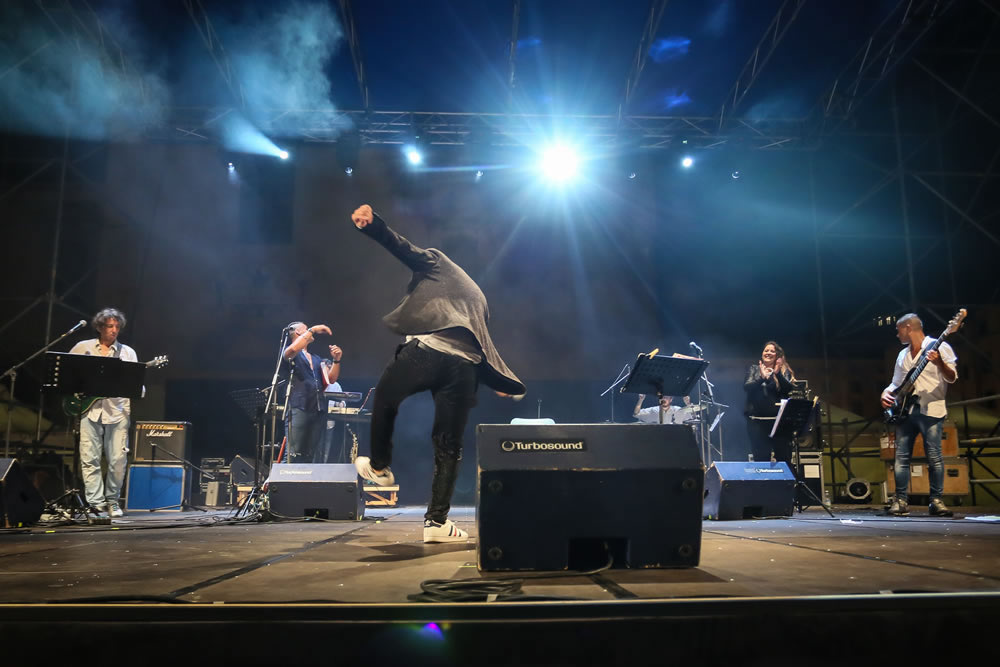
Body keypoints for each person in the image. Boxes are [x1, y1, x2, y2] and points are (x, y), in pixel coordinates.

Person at [350, 204, 525, 544]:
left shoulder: (438, 262)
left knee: (385, 397)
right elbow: (477, 344)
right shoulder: (477, 297)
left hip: (428, 354)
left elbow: (404, 249)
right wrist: (497, 382)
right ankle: (436, 523)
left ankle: (380, 467)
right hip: (464, 371)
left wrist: (372, 226)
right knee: (449, 445)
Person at [881, 313, 958, 517]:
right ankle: (900, 500)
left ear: (908, 327)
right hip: (906, 411)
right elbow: (896, 383)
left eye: (898, 330)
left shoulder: (940, 347)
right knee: (901, 457)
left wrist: (939, 363)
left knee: (934, 457)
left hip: (931, 410)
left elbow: (952, 377)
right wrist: (885, 394)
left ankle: (936, 501)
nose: (897, 334)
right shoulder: (902, 355)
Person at [68, 308, 138, 517]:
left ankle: (113, 501)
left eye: (117, 326)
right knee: (89, 458)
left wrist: (138, 386)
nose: (114, 330)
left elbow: (136, 384)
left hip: (117, 411)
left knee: (118, 460)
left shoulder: (127, 352)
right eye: (109, 326)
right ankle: (96, 503)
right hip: (89, 410)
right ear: (99, 327)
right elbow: (66, 373)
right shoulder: (83, 348)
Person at [282, 322, 343, 463]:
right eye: (306, 329)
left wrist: (336, 360)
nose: (310, 332)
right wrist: (313, 329)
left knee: (310, 455)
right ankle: (286, 477)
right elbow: (292, 350)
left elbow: (331, 379)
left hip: (317, 409)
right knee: (292, 454)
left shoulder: (316, 358)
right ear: (298, 332)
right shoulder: (290, 352)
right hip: (299, 407)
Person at [743, 341, 796, 465]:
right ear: (762, 354)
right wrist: (762, 378)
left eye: (772, 351)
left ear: (777, 355)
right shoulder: (754, 369)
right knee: (761, 459)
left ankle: (785, 478)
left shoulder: (783, 370)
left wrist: (777, 374)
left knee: (784, 458)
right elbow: (747, 387)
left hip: (779, 423)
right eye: (766, 350)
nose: (768, 353)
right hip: (757, 422)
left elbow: (788, 389)